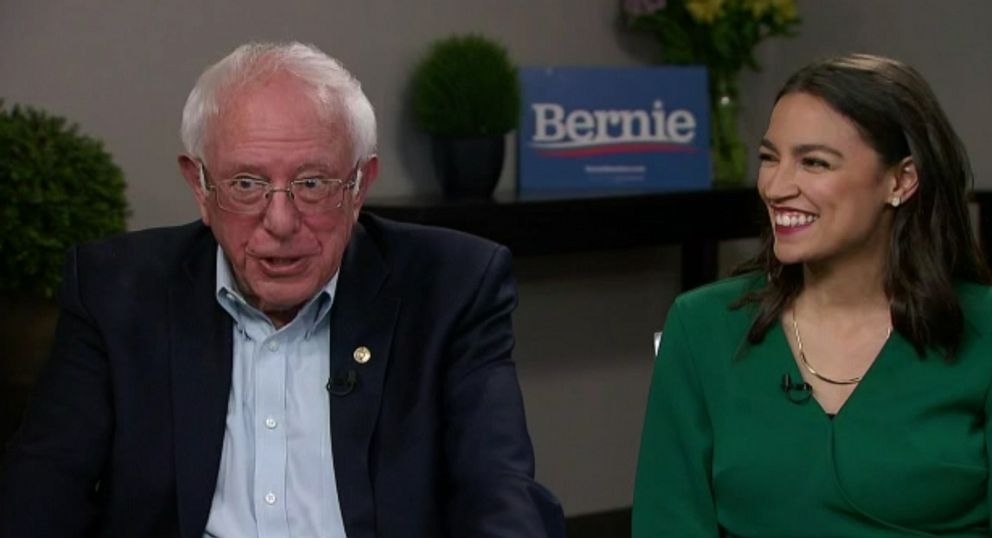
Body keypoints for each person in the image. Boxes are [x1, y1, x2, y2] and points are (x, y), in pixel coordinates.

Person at [0, 41, 564, 538]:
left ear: (359, 185)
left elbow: (499, 492)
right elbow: (42, 494)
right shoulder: (114, 291)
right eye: (246, 183)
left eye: (312, 183)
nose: (281, 221)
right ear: (200, 187)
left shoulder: (453, 286)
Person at [632, 53, 992, 536]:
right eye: (768, 158)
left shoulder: (982, 331)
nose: (776, 187)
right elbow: (667, 522)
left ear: (901, 181)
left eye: (814, 162)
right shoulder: (702, 325)